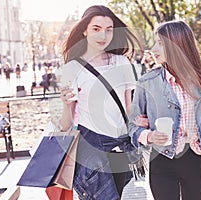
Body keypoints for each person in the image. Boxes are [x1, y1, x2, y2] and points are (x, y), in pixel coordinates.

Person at [128, 20, 201, 200]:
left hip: (195, 161)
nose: (153, 49)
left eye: (160, 43)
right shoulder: (146, 83)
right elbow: (132, 126)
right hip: (161, 160)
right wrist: (148, 136)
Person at [58, 5, 144, 199]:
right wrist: (65, 104)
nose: (103, 35)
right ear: (85, 30)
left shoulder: (122, 62)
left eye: (108, 29)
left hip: (120, 145)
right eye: (96, 29)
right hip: (90, 144)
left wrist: (141, 128)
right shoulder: (73, 68)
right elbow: (66, 125)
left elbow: (129, 108)